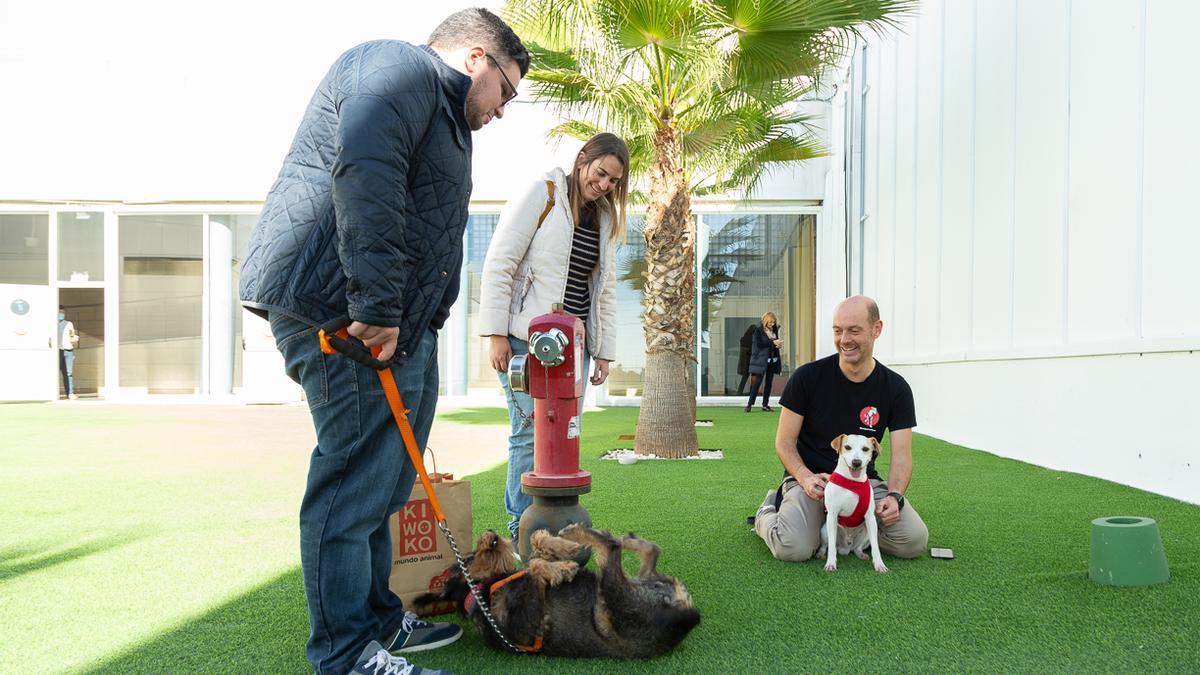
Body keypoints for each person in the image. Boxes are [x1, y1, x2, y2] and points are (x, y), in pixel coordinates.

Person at [238, 9, 528, 675]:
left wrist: (424, 318)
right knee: (354, 477)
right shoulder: (398, 67)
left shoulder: (444, 111)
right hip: (341, 309)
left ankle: (372, 618)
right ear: (477, 57)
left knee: (389, 479)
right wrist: (374, 302)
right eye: (506, 91)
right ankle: (344, 654)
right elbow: (365, 171)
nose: (504, 110)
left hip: (397, 324)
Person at [479, 132, 628, 542]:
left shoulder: (605, 219)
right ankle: (522, 530)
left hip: (574, 349)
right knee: (528, 432)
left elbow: (604, 290)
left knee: (565, 434)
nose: (603, 185)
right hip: (528, 341)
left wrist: (602, 352)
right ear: (582, 159)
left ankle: (554, 526)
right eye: (600, 173)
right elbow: (501, 261)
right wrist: (495, 333)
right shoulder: (542, 194)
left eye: (613, 181)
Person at [753, 296, 929, 563]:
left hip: (862, 483)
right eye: (838, 330)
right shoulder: (807, 378)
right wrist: (803, 477)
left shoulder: (896, 388)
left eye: (854, 330)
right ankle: (767, 511)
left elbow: (902, 456)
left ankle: (844, 528)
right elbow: (784, 442)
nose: (844, 339)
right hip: (813, 482)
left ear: (876, 329)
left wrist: (894, 497)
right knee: (793, 547)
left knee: (912, 540)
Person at [744, 311, 782, 412]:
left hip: (772, 360)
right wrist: (773, 342)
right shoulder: (758, 330)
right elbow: (760, 344)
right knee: (757, 383)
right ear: (765, 321)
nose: (772, 324)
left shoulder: (774, 330)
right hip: (761, 360)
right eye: (770, 322)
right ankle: (749, 404)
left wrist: (778, 345)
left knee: (769, 383)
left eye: (773, 322)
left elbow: (773, 344)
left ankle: (765, 405)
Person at [58, 305, 79, 400]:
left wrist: (74, 338)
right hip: (57, 351)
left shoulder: (68, 323)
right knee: (54, 372)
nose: (61, 314)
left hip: (68, 350)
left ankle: (70, 393)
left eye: (63, 312)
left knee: (68, 373)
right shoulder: (50, 323)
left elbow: (72, 335)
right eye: (59, 312)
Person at [735, 322, 754, 395]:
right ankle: (752, 392)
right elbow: (751, 351)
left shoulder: (743, 339)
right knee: (753, 377)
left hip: (744, 362)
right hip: (751, 361)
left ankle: (739, 391)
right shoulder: (752, 340)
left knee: (744, 378)